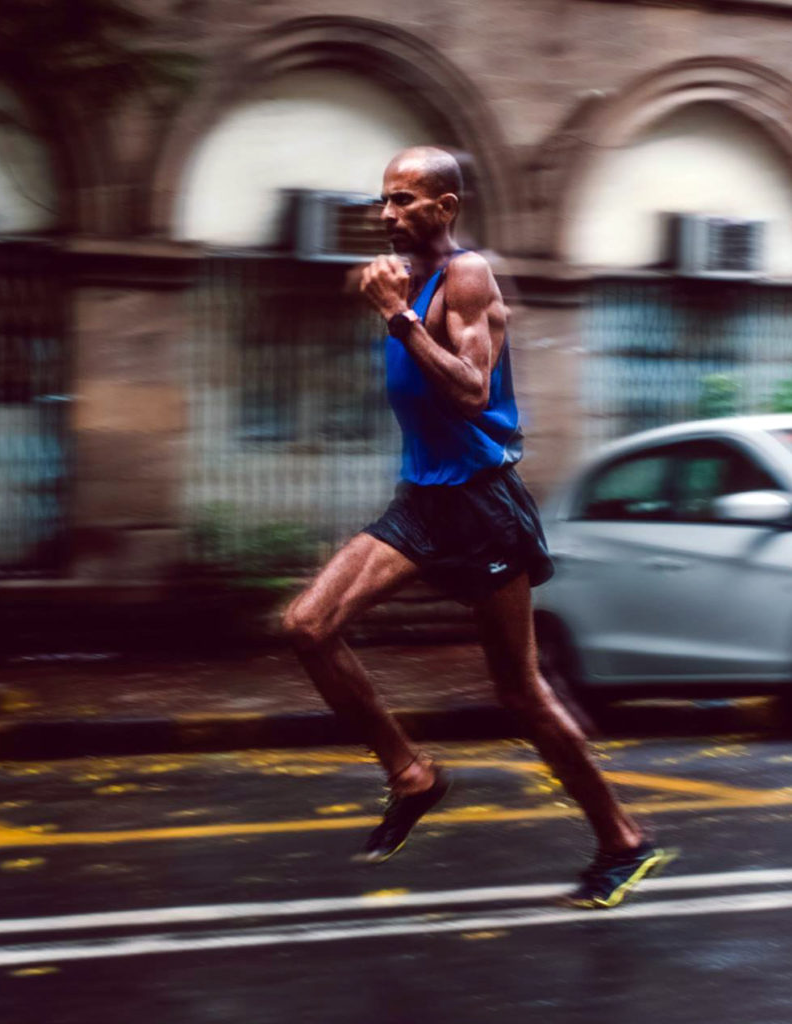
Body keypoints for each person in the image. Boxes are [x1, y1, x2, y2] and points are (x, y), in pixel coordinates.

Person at [282, 146, 675, 909]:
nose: (387, 214)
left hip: (483, 506)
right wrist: (393, 304)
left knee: (519, 693)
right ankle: (410, 774)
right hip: (424, 501)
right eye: (383, 201)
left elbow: (469, 390)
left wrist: (397, 318)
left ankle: (622, 841)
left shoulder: (466, 276)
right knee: (305, 626)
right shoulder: (406, 278)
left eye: (404, 200)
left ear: (445, 207)